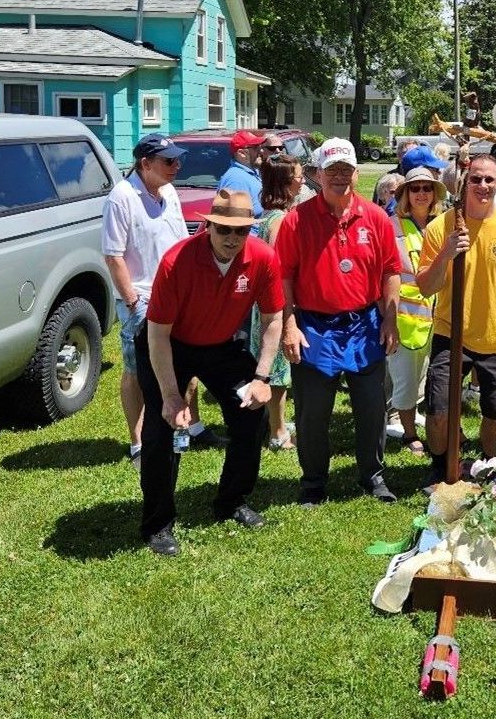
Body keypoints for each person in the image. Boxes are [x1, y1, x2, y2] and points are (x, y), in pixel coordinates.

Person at [136, 189, 284, 556]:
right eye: (224, 230)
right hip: (170, 345)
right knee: (161, 430)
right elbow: (157, 335)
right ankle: (158, 523)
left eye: (241, 231)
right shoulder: (177, 261)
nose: (232, 239)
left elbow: (272, 320)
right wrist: (171, 397)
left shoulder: (263, 258)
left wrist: (262, 378)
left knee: (251, 415)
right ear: (208, 226)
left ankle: (231, 501)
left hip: (221, 346)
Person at [274, 138, 401, 506]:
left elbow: (391, 271)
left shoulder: (375, 217)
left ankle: (373, 476)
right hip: (314, 326)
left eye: (346, 170)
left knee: (372, 408)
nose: (340, 177)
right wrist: (289, 324)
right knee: (313, 412)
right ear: (317, 175)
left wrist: (390, 320)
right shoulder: (296, 221)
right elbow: (283, 277)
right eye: (332, 171)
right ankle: (313, 481)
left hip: (364, 324)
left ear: (357, 174)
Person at [102, 134, 219, 468]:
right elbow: (113, 256)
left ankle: (191, 427)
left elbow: (180, 242)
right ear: (145, 164)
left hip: (178, 294)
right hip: (141, 298)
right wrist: (133, 302)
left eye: (177, 160)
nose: (177, 166)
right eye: (169, 161)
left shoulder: (168, 192)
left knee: (187, 362)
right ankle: (138, 440)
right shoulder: (121, 198)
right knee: (137, 370)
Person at [417, 154, 496, 484]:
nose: (483, 186)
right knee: (440, 412)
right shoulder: (442, 226)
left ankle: (490, 464)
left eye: (489, 180)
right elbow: (426, 286)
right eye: (476, 179)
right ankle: (441, 466)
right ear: (464, 182)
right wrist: (447, 253)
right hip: (450, 333)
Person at [387, 167, 446, 456]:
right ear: (405, 195)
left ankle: (433, 424)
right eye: (415, 188)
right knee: (406, 382)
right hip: (404, 319)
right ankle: (409, 433)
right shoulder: (392, 227)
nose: (421, 194)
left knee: (431, 378)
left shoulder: (444, 224)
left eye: (427, 188)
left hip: (441, 318)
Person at [252, 153, 306, 450]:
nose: (301, 180)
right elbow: (278, 269)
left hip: (265, 303)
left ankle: (272, 423)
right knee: (278, 369)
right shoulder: (281, 221)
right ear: (286, 183)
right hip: (274, 305)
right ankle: (277, 431)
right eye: (298, 176)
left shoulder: (269, 215)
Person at [217, 129, 267, 219]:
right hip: (249, 233)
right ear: (241, 153)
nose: (262, 151)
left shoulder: (252, 172)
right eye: (256, 147)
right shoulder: (236, 179)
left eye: (261, 146)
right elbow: (235, 222)